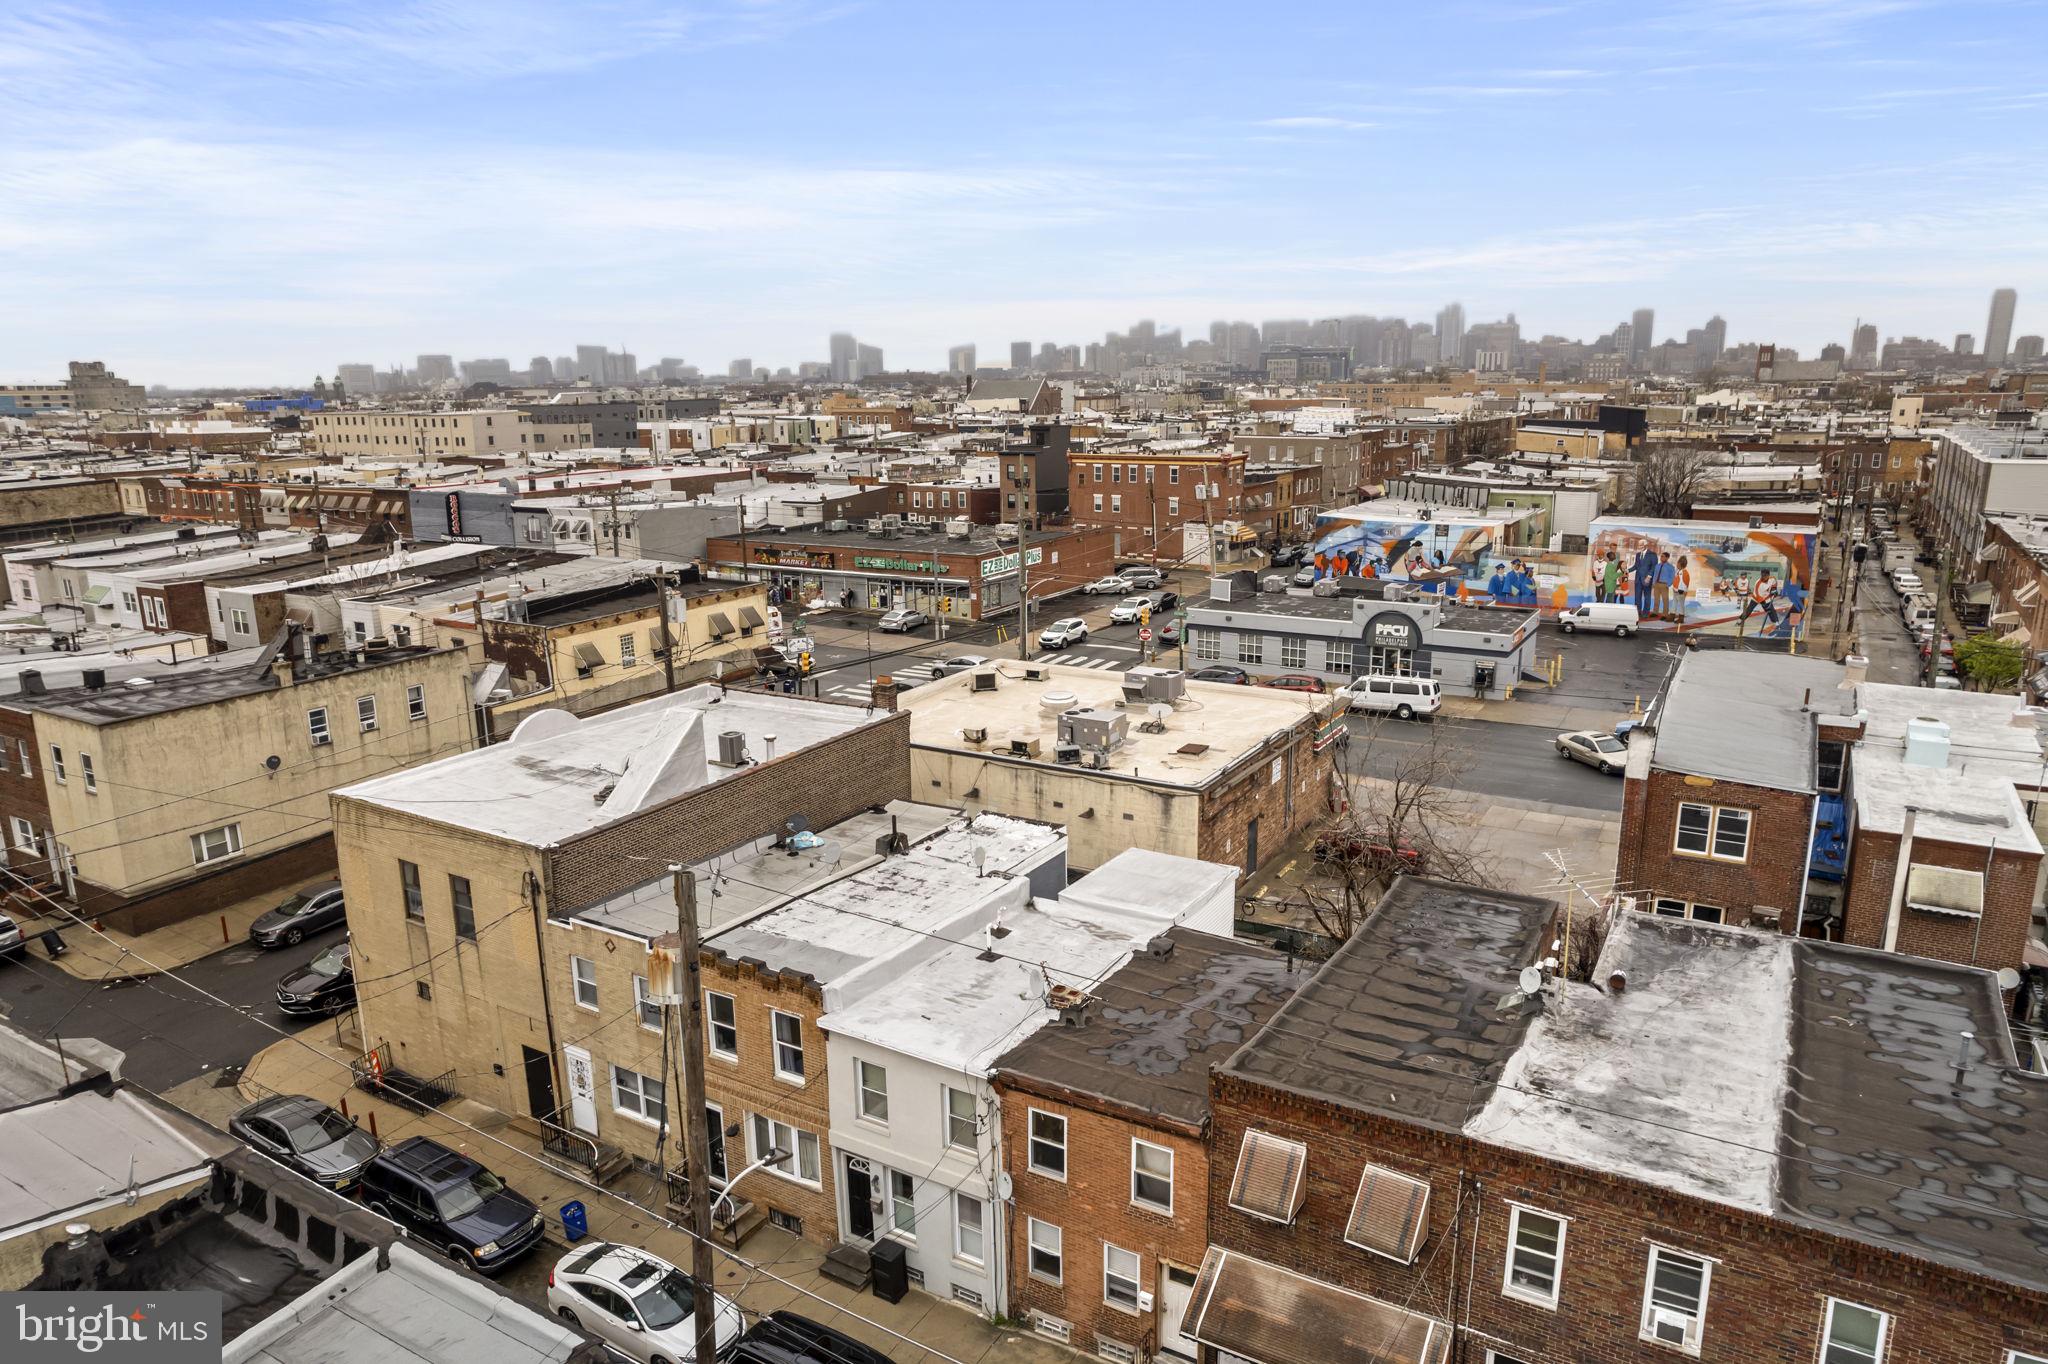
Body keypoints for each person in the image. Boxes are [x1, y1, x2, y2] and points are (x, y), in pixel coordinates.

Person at [1632, 547, 1657, 613]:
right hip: (1638, 579)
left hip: (1647, 580)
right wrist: (1627, 570)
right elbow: (1636, 566)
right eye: (1639, 545)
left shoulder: (1652, 554)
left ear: (1645, 545)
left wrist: (1649, 576)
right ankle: (1637, 612)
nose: (1639, 546)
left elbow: (1654, 566)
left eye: (1641, 545)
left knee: (1647, 597)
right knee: (1637, 597)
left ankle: (1646, 613)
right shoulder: (1638, 554)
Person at [1654, 552, 1675, 618]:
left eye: (1663, 556)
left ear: (1667, 557)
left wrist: (1668, 584)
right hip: (1656, 584)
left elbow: (1672, 577)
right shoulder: (1657, 565)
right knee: (1656, 599)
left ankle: (1665, 614)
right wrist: (1653, 583)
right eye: (1661, 556)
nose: (1661, 558)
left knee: (1665, 600)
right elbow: (1655, 574)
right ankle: (1655, 612)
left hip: (1664, 585)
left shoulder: (1670, 567)